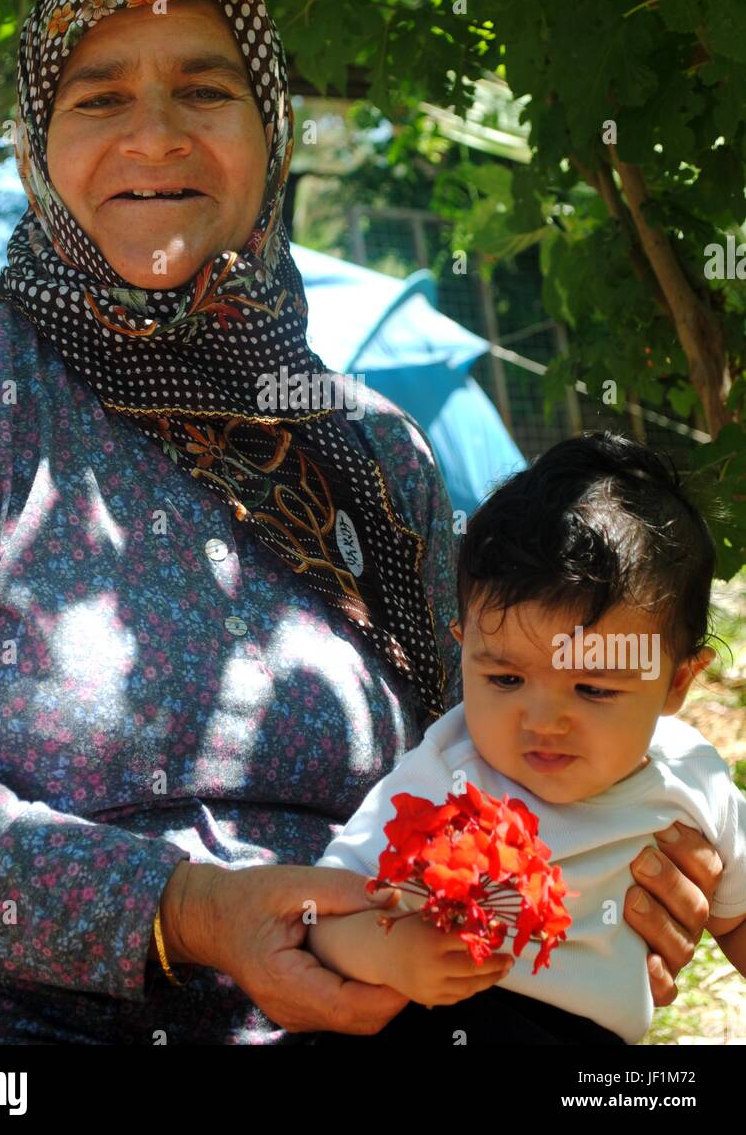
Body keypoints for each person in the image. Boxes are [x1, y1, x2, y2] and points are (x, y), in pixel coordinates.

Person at [0, 0, 724, 1045]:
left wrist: (633, 860)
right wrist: (188, 912)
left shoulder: (372, 453)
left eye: (204, 89)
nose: (155, 135)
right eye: (98, 98)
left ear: (271, 135)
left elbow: (491, 761)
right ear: (38, 149)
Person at [309, 433, 746, 1044]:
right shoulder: (446, 771)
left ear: (676, 683)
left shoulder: (694, 780)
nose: (542, 720)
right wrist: (388, 956)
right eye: (506, 678)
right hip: (431, 1016)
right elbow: (323, 913)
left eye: (593, 689)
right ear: (464, 650)